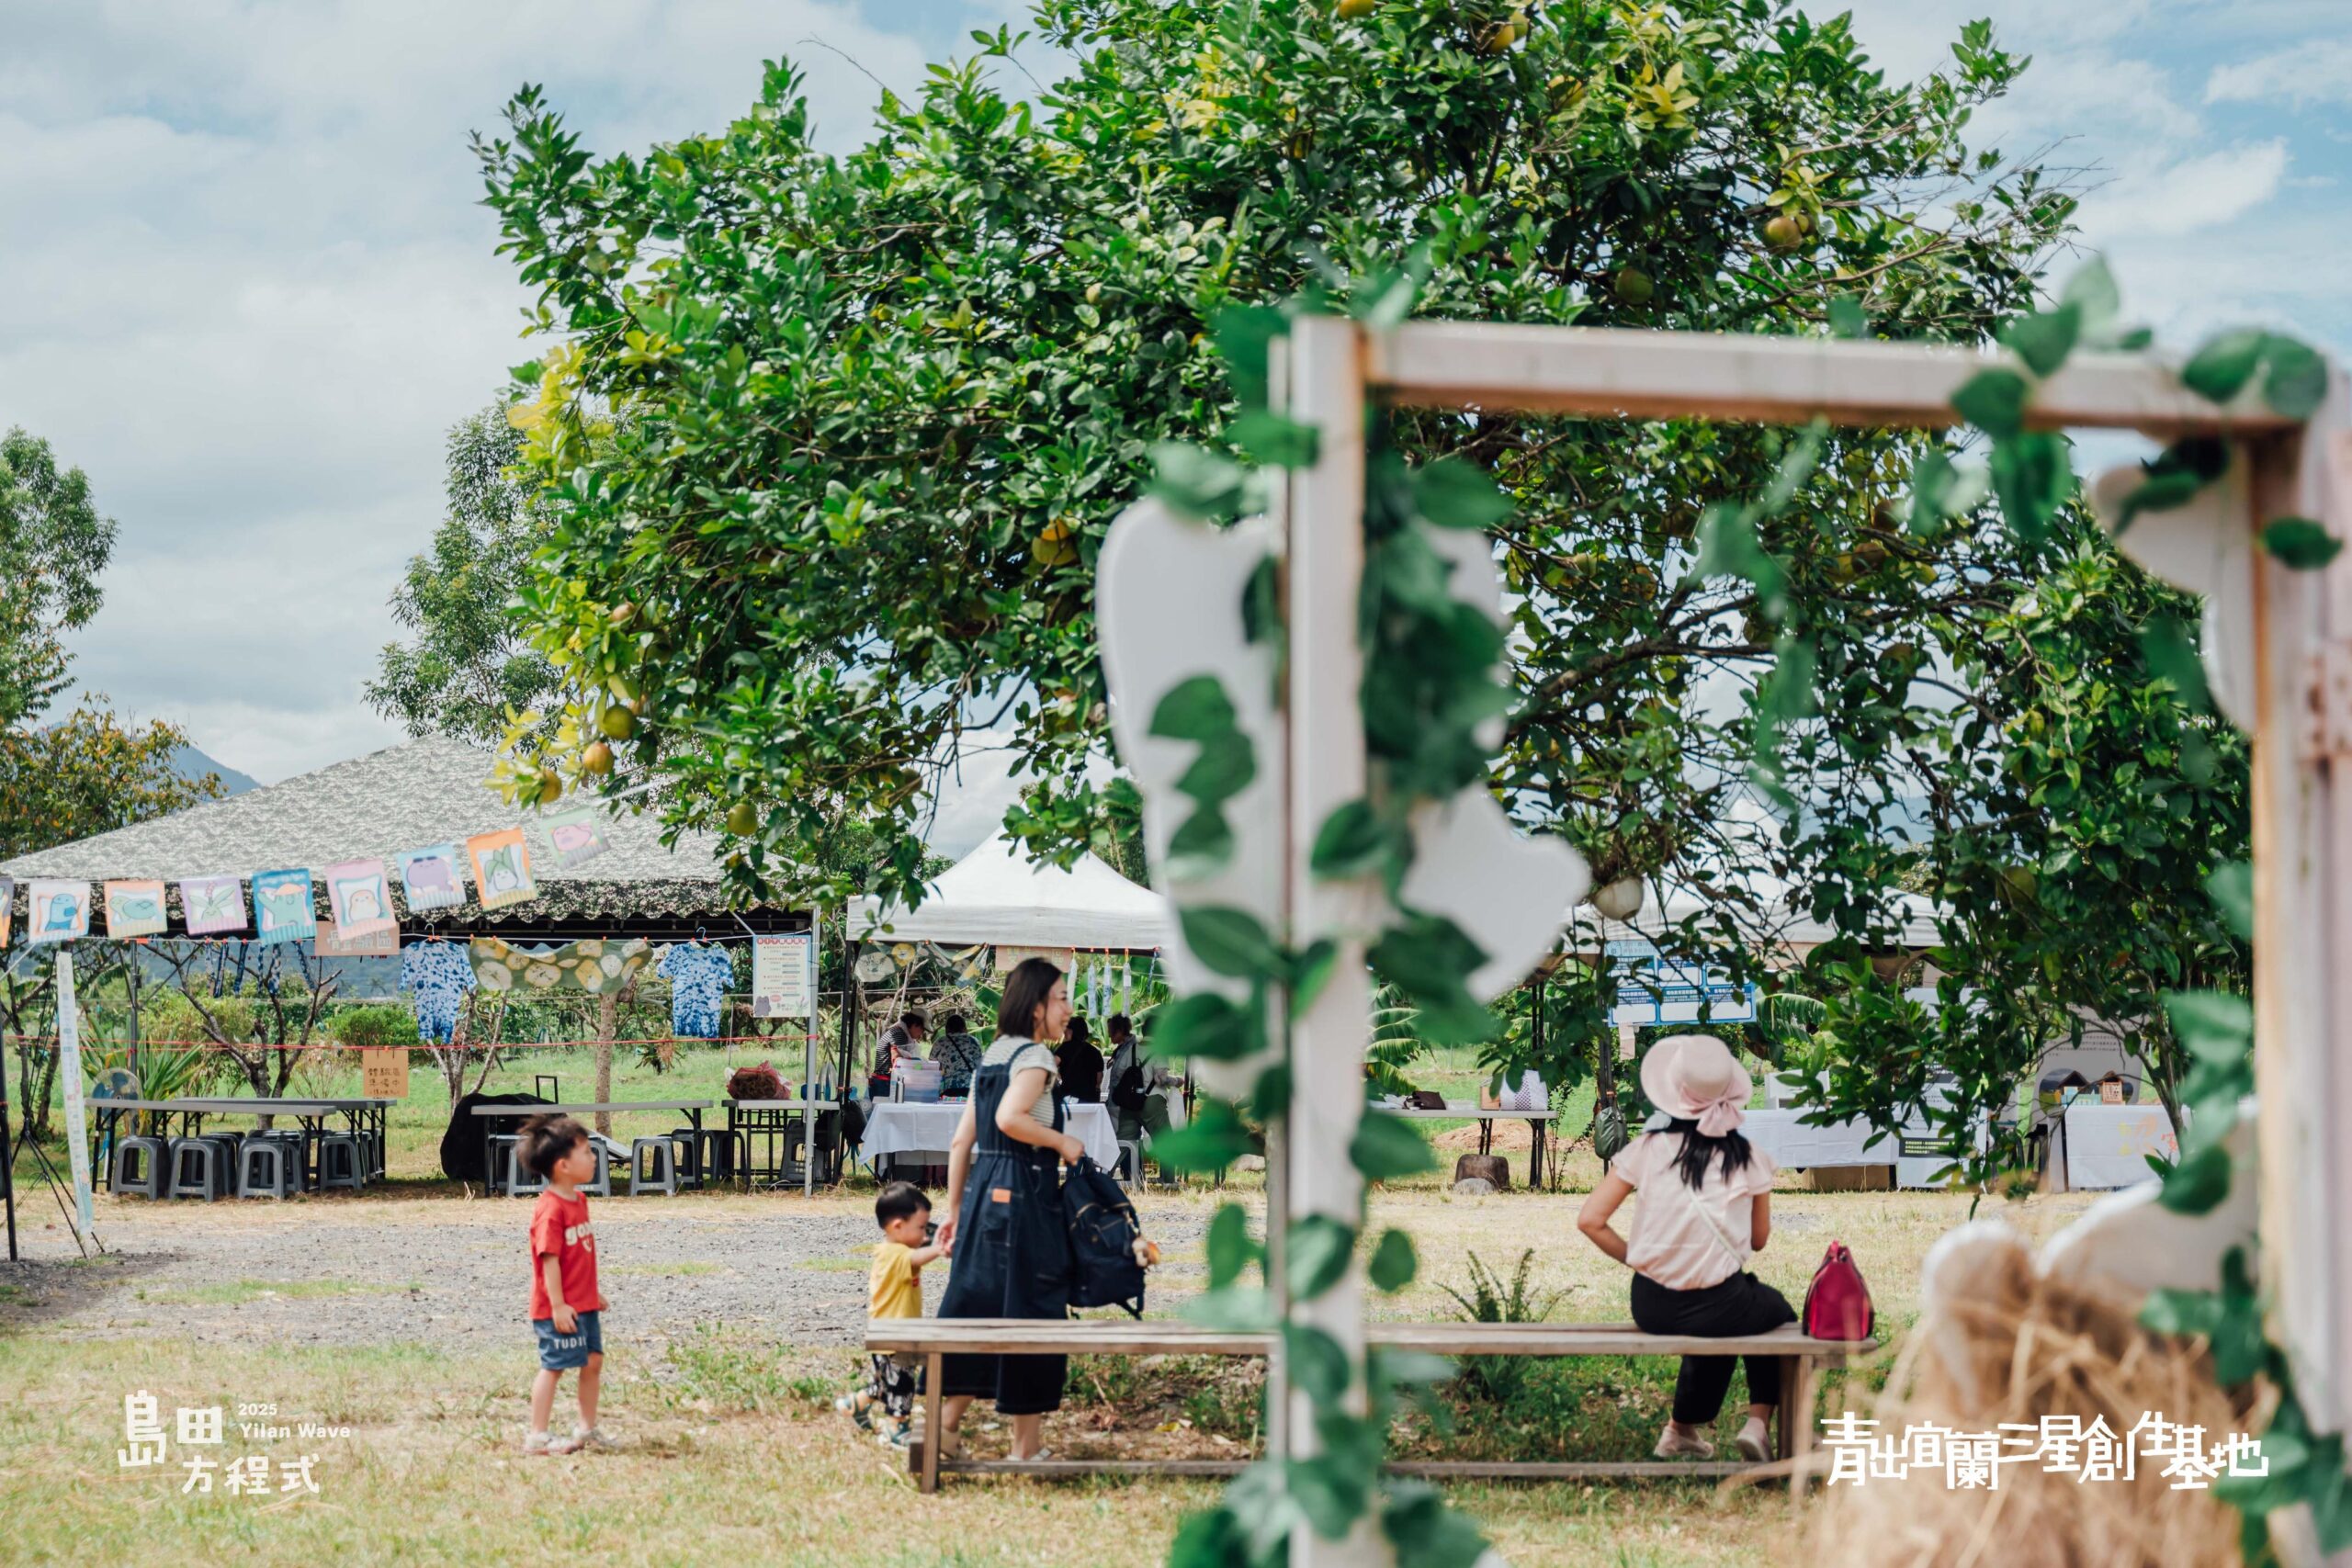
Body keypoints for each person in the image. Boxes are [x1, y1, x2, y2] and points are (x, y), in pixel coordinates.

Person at [1575, 1032, 1792, 1462]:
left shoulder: (1647, 1149)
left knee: (1720, 1316)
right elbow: (1759, 1240)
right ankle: (1757, 1423)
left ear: (1672, 1095)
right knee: (1772, 1314)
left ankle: (1681, 1431)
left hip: (1651, 1304)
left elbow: (1590, 1220)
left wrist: (1639, 1258)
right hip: (1720, 1303)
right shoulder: (1748, 1156)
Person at [935, 957, 1083, 1461]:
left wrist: (956, 1211)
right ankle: (1025, 1448)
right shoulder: (1036, 1057)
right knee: (1035, 1307)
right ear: (1037, 1006)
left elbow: (961, 1142)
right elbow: (1009, 1117)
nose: (1068, 1008)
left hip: (985, 1193)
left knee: (981, 1306)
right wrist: (1061, 1141)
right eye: (1061, 998)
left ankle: (945, 1427)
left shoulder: (994, 1054)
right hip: (1025, 1192)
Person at [520, 1114, 613, 1456]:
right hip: (557, 1308)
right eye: (586, 1152)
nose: (593, 1157)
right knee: (554, 1366)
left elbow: (579, 1255)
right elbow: (549, 1259)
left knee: (593, 1360)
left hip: (582, 1303)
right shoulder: (551, 1209)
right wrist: (558, 1305)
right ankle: (537, 1436)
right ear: (563, 1165)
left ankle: (587, 1428)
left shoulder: (579, 1201)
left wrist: (591, 1292)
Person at [838, 1181, 948, 1448]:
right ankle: (895, 1427)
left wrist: (933, 1236)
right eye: (921, 1227)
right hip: (894, 1336)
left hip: (889, 1332)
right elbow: (916, 1259)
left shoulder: (896, 1248)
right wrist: (940, 1248)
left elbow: (917, 1253)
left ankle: (855, 1404)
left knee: (886, 1382)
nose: (925, 1233)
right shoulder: (894, 1254)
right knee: (902, 1383)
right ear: (898, 1226)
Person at [1106, 1013, 1178, 1184]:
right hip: (1152, 1102)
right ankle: (1168, 1182)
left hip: (1129, 1104)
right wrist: (1176, 1081)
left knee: (1122, 1143)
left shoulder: (1130, 1049)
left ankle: (1102, 1176)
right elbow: (1161, 1079)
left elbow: (1119, 1073)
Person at [868, 1010, 928, 1100]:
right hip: (885, 1083)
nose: (922, 1033)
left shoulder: (897, 1031)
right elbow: (897, 1061)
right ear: (914, 1024)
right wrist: (919, 1066)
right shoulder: (899, 1034)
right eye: (922, 1029)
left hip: (883, 1082)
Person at [930, 1012, 984, 1098]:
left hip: (948, 1089)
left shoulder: (940, 1042)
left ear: (947, 1029)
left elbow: (932, 1066)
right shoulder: (973, 1041)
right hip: (970, 1088)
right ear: (964, 1028)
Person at [1055, 1014, 1103, 1104]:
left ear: (1070, 1031)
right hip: (1089, 1098)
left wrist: (1059, 1079)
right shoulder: (1094, 1051)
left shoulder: (1064, 1048)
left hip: (1068, 1097)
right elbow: (1099, 1077)